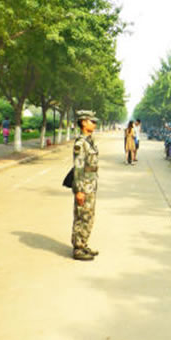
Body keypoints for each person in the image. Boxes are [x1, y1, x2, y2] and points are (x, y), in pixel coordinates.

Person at [71, 110, 100, 261]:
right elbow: (78, 168)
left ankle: (83, 243)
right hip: (84, 186)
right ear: (83, 122)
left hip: (91, 184)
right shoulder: (80, 144)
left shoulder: (90, 141)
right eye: (91, 121)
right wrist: (79, 190)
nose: (94, 124)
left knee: (89, 216)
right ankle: (78, 248)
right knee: (81, 216)